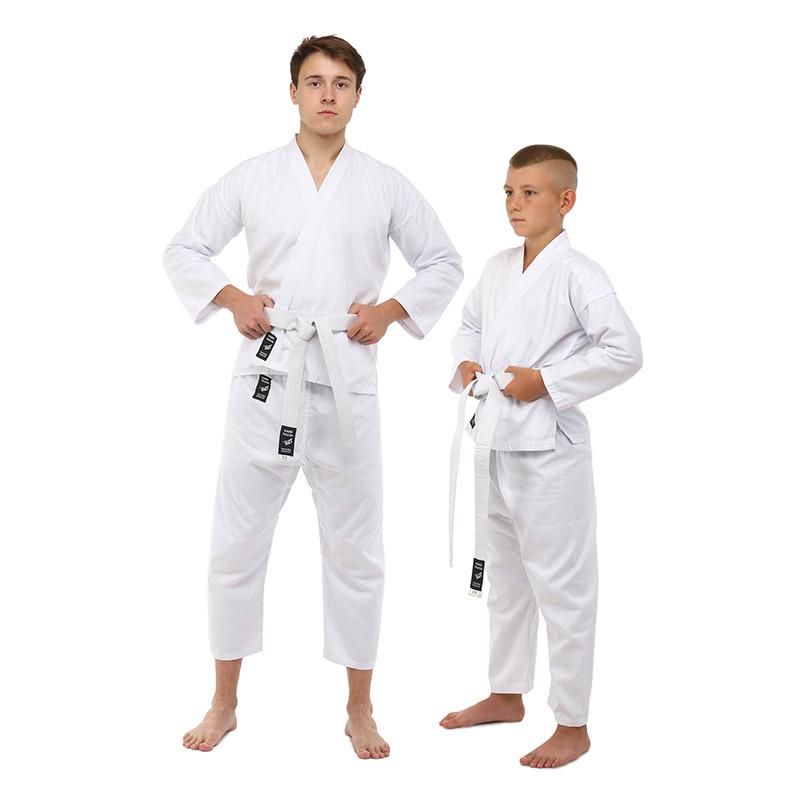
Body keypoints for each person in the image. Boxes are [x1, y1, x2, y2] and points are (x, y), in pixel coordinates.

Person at [163, 34, 462, 757]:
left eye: (342, 83)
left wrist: (391, 311)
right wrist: (232, 297)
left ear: (358, 95)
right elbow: (183, 249)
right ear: (293, 92)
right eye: (315, 81)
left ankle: (360, 707)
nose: (328, 94)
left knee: (357, 547)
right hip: (268, 374)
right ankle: (224, 701)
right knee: (236, 542)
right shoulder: (253, 176)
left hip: (345, 374)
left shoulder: (384, 184)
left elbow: (442, 262)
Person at [442, 145, 642, 768]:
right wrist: (467, 362)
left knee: (563, 587)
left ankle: (573, 724)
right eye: (508, 192)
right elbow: (469, 325)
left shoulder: (581, 273)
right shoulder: (498, 267)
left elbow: (625, 351)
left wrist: (547, 382)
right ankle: (507, 693)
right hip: (495, 440)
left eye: (530, 192)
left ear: (566, 200)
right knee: (507, 581)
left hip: (551, 451)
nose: (515, 204)